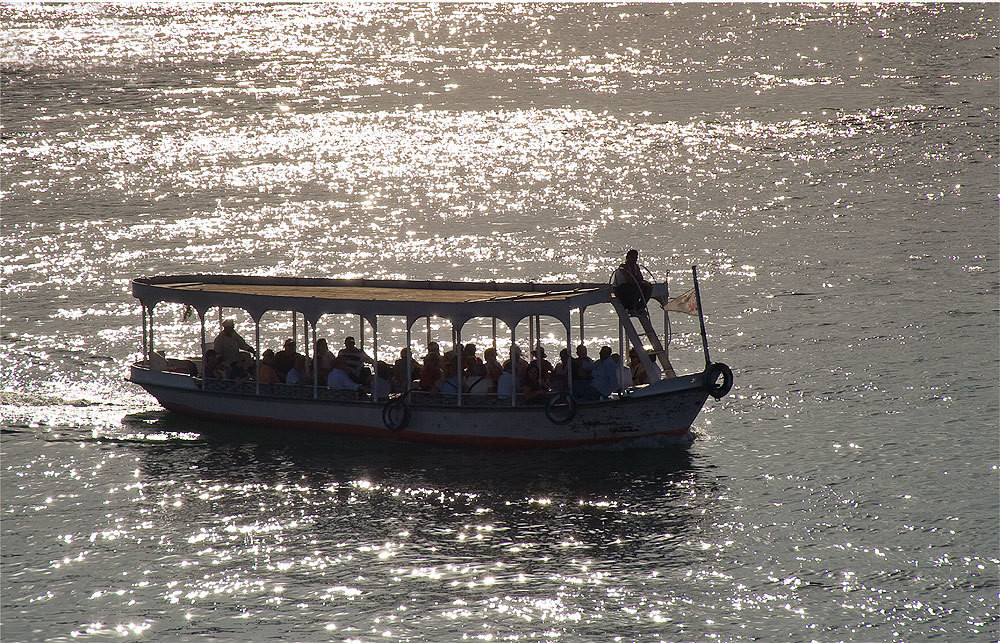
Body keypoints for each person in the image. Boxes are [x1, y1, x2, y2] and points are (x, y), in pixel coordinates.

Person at [613, 249, 653, 313]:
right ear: (627, 257)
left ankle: (641, 307)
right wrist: (641, 282)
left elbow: (640, 278)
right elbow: (629, 280)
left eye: (636, 257)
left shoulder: (635, 267)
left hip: (631, 285)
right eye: (632, 257)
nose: (634, 259)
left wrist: (645, 283)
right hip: (620, 287)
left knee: (649, 287)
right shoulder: (623, 267)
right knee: (636, 288)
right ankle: (632, 308)